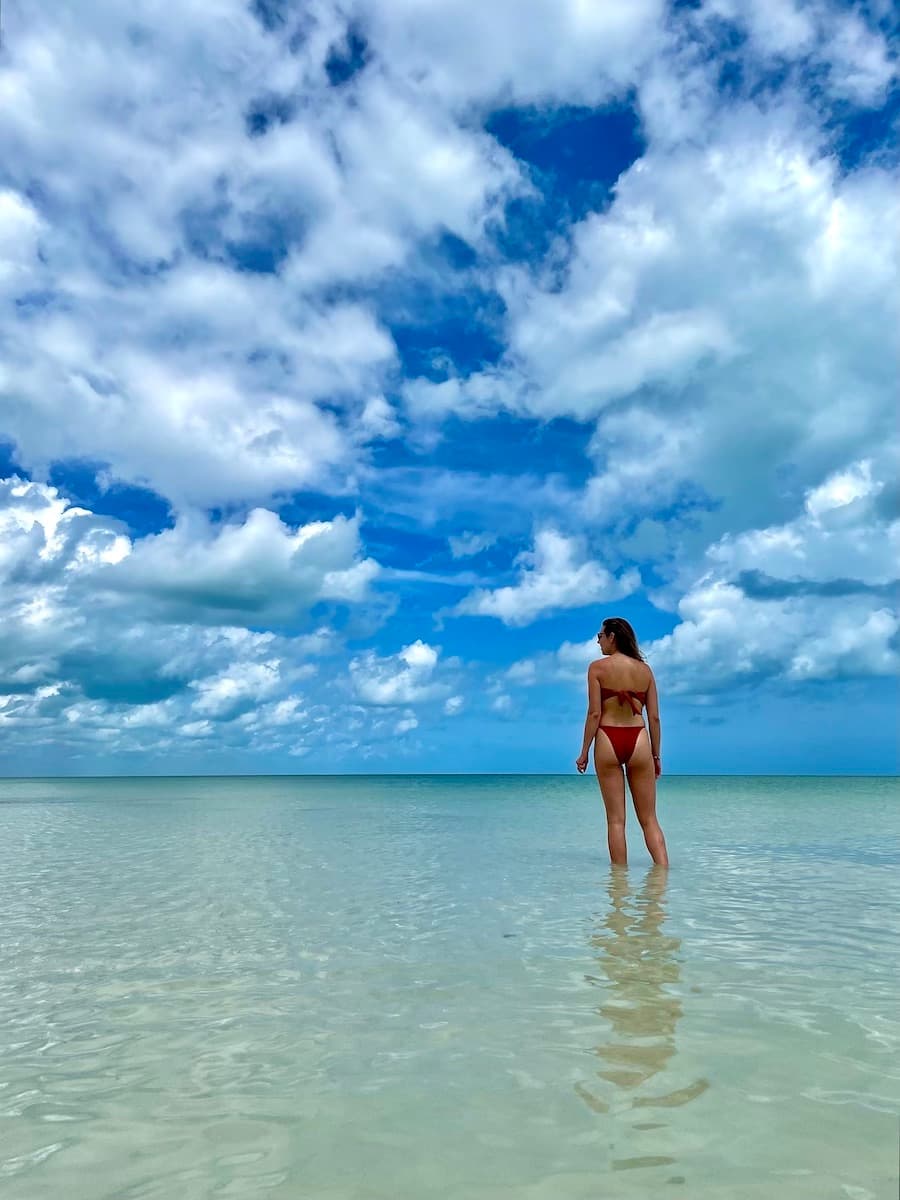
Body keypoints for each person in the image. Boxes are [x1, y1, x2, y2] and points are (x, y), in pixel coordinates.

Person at [576, 617, 668, 867]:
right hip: (639, 740)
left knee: (616, 821)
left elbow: (594, 713)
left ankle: (619, 891)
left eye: (600, 636)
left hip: (608, 738)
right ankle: (663, 881)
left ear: (612, 637)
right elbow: (655, 718)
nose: (598, 641)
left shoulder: (597, 668)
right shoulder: (645, 671)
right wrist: (656, 755)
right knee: (649, 819)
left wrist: (584, 752)